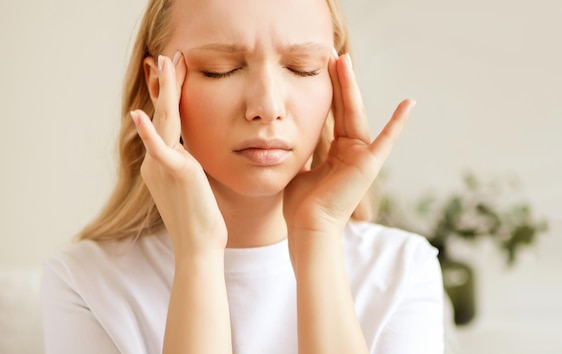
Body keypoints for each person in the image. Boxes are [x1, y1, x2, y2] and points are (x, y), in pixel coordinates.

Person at [41, 0, 445, 352]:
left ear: (337, 82)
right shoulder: (85, 283)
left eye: (302, 68)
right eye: (221, 69)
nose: (267, 107)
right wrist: (197, 255)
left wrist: (317, 239)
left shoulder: (404, 271)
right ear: (158, 84)